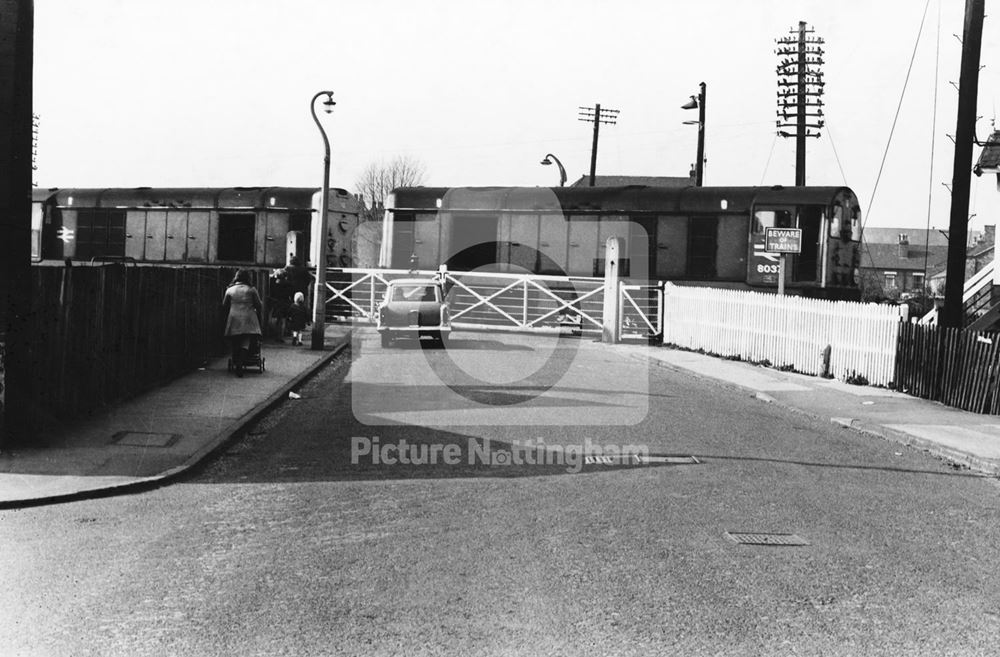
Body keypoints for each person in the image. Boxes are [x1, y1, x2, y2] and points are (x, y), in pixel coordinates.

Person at [223, 269, 263, 377]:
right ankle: (240, 363)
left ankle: (236, 362)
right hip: (248, 318)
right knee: (246, 341)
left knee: (236, 340)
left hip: (234, 318)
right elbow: (258, 305)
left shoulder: (230, 290)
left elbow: (224, 304)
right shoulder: (251, 290)